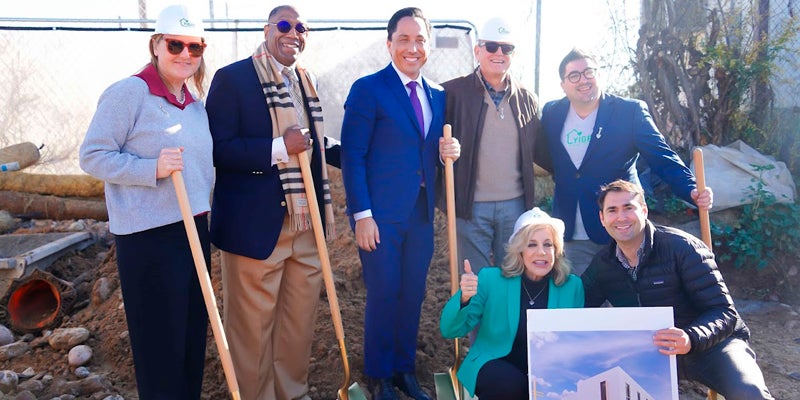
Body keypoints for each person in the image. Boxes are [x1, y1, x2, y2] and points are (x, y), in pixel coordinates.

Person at [204, 5, 340, 400]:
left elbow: (314, 143)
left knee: (297, 327)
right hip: (255, 229)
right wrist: (279, 148)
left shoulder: (305, 80)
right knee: (252, 330)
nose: (293, 32)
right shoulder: (233, 79)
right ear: (267, 29)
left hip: (305, 225)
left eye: (301, 28)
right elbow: (218, 149)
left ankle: (291, 394)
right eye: (284, 24)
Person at [79, 4, 211, 399]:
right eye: (175, 45)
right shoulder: (130, 92)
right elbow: (93, 154)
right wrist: (151, 168)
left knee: (191, 339)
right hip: (150, 236)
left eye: (194, 48)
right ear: (156, 45)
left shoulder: (194, 102)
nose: (185, 55)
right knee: (160, 347)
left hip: (194, 229)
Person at [340, 7, 460, 400]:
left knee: (413, 293)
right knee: (384, 292)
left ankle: (405, 370)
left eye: (420, 39)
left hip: (421, 215)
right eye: (404, 39)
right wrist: (362, 215)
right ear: (389, 43)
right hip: (380, 216)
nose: (413, 47)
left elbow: (432, 149)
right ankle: (379, 376)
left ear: (428, 44)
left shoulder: (438, 95)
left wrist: (449, 151)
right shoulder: (368, 89)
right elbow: (353, 156)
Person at [582, 179, 774, 400]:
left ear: (644, 210)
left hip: (710, 347)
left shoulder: (682, 248)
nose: (621, 217)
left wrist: (690, 338)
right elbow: (577, 306)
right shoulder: (603, 264)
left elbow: (724, 313)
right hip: (648, 353)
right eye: (612, 210)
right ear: (602, 219)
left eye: (629, 208)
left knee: (749, 392)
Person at [539, 48, 713, 275]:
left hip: (621, 228)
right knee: (579, 304)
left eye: (588, 72)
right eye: (574, 75)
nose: (583, 80)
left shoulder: (628, 112)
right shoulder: (552, 113)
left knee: (628, 304)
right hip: (571, 232)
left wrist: (691, 189)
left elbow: (662, 158)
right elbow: (548, 158)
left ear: (599, 75)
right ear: (563, 84)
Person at [440, 208, 584, 399]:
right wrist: (464, 298)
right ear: (520, 251)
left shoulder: (571, 286)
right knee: (512, 385)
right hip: (495, 362)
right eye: (531, 245)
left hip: (548, 370)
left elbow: (576, 341)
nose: (541, 252)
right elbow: (450, 330)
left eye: (548, 244)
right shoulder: (490, 280)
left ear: (556, 250)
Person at [442, 16, 549, 272]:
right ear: (478, 50)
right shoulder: (450, 93)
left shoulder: (527, 99)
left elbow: (543, 151)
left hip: (515, 206)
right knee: (473, 281)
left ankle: (507, 315)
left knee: (512, 276)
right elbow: (429, 142)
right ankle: (475, 315)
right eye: (491, 46)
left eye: (506, 48)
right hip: (470, 206)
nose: (498, 53)